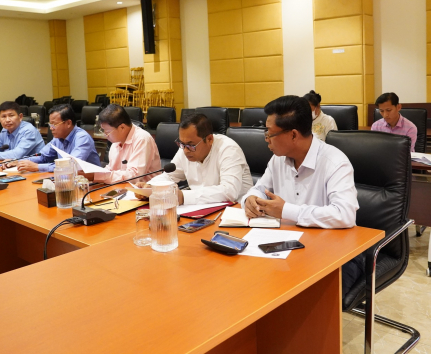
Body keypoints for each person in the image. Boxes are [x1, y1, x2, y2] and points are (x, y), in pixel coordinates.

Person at [241, 95, 360, 294]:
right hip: (285, 247)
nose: (266, 139)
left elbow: (345, 214)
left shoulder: (335, 162)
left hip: (329, 252)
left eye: (270, 133)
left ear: (293, 135)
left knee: (303, 294)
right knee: (252, 280)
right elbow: (259, 188)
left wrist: (287, 211)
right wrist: (250, 199)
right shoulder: (278, 159)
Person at [139, 113, 253, 205]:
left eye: (191, 145)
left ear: (209, 139)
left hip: (234, 211)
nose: (185, 150)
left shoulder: (228, 149)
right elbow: (169, 176)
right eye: (182, 143)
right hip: (199, 209)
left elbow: (229, 191)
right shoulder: (185, 148)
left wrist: (184, 196)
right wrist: (150, 186)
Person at [11, 104, 100, 173]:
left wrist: (37, 167)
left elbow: (71, 165)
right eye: (50, 124)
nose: (51, 128)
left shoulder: (82, 138)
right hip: (67, 179)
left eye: (54, 124)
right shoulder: (58, 138)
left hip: (90, 183)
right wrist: (20, 162)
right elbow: (44, 157)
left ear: (68, 123)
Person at [91, 104, 160, 184]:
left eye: (107, 132)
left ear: (122, 127)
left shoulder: (142, 139)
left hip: (143, 189)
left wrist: (97, 176)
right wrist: (95, 174)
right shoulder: (116, 141)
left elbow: (134, 176)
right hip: (120, 187)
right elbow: (110, 170)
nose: (105, 135)